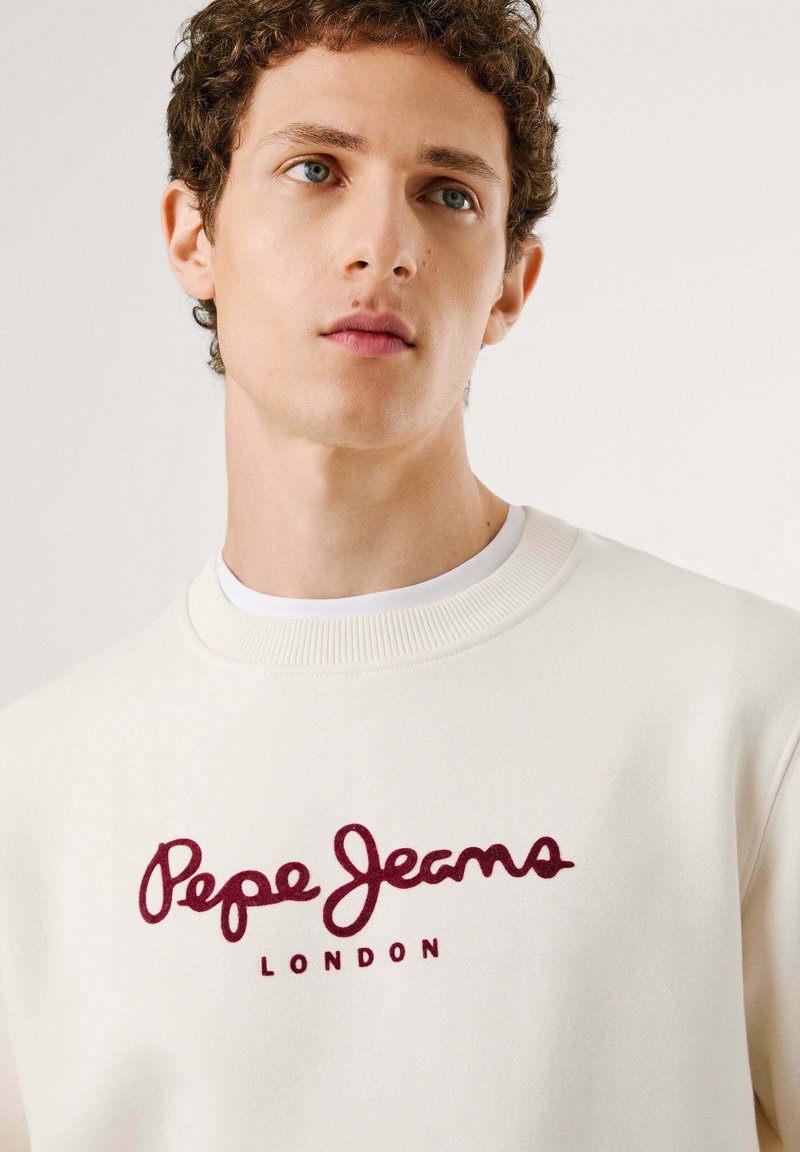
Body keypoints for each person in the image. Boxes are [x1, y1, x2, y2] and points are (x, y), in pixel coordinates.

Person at [1, 0, 798, 1148]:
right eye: (315, 169)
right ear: (191, 236)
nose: (383, 244)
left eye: (447, 192)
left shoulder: (742, 706)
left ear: (511, 281)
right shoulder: (34, 795)